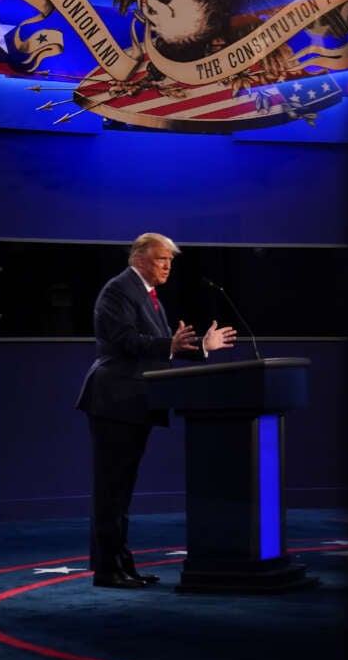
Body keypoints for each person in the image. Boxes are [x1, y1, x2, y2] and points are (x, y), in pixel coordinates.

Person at [76, 232, 237, 589]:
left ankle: (122, 564)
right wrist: (170, 344)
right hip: (114, 400)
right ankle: (107, 570)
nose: (168, 266)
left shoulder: (150, 297)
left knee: (122, 491)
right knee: (111, 491)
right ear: (139, 258)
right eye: (162, 259)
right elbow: (127, 342)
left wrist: (202, 348)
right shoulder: (118, 290)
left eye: (171, 261)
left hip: (135, 402)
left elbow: (160, 349)